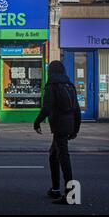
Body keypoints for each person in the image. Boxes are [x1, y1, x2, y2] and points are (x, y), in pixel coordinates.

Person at [34, 60, 81, 205]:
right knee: (54, 156)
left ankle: (71, 194)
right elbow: (77, 109)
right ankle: (55, 189)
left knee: (63, 158)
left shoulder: (52, 85)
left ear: (51, 72)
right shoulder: (69, 85)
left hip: (59, 126)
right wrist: (76, 129)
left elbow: (47, 107)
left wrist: (37, 121)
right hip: (68, 125)